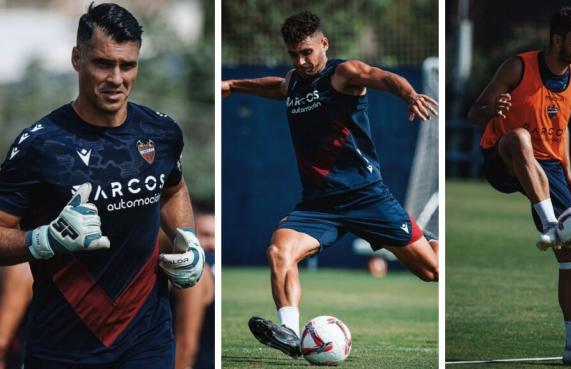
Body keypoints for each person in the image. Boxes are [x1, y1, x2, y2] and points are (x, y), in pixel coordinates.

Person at [222, 10, 439, 358]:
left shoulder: (343, 74)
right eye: (294, 54)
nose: (302, 60)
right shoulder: (294, 80)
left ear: (324, 43)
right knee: (279, 251)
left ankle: (432, 242)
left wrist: (409, 94)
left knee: (432, 272)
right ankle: (290, 334)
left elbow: (379, 76)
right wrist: (233, 85)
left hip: (367, 197)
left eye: (307, 51)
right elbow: (276, 87)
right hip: (318, 205)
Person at [0, 3, 204, 368]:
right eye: (103, 63)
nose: (116, 78)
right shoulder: (39, 146)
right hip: (62, 347)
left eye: (128, 65)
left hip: (147, 340)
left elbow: (172, 189)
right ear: (77, 59)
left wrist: (187, 239)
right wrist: (44, 239)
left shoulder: (161, 133)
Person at [467, 7, 571, 369]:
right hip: (503, 157)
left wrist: (568, 170)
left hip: (551, 168)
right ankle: (551, 226)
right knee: (520, 138)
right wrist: (493, 108)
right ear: (557, 40)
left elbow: (564, 126)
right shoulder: (518, 67)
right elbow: (473, 113)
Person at [171, 208, 215, 369]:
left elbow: (186, 346)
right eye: (205, 235)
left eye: (215, 236)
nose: (212, 243)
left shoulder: (194, 274)